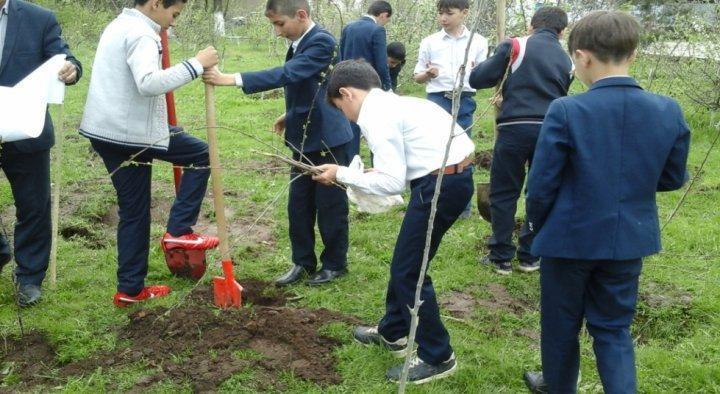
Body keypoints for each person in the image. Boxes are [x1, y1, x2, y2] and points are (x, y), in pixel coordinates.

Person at [522, 11, 690, 394]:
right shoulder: (668, 109)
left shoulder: (567, 109)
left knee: (561, 327)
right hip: (629, 238)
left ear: (582, 57)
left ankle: (559, 387)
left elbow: (542, 185)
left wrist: (533, 227)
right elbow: (672, 177)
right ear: (633, 53)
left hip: (568, 240)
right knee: (614, 329)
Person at [313, 60, 475, 384]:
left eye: (339, 107)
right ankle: (393, 331)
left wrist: (342, 173)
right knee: (407, 260)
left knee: (408, 270)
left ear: (347, 94)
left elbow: (391, 183)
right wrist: (369, 174)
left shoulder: (376, 116)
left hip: (440, 186)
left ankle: (437, 355)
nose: (345, 116)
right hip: (450, 178)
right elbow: (401, 162)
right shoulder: (394, 102)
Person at [80, 0, 220, 307]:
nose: (173, 21)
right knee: (201, 155)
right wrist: (196, 64)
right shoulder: (142, 33)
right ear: (156, 3)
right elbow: (148, 83)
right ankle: (179, 231)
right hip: (131, 134)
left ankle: (130, 291)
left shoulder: (118, 25)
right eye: (174, 13)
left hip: (106, 131)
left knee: (134, 212)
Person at [203, 0, 353, 286]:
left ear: (301, 15)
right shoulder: (299, 42)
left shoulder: (323, 41)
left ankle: (335, 264)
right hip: (304, 136)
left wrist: (231, 79)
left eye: (279, 24)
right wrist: (291, 112)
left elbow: (290, 74)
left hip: (328, 140)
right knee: (299, 206)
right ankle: (303, 263)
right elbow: (314, 84)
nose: (277, 32)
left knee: (330, 206)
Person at [469, 6, 572, 275]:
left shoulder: (515, 45)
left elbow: (479, 78)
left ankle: (501, 256)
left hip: (515, 128)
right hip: (551, 130)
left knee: (504, 191)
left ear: (531, 25)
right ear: (561, 32)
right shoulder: (568, 59)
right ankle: (530, 255)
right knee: (540, 191)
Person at [0, 0, 83, 307]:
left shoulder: (39, 18)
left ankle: (29, 279)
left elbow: (65, 58)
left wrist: (70, 69)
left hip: (26, 129)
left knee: (33, 206)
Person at [413, 0, 487, 218]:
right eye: (440, 13)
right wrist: (427, 74)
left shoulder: (478, 42)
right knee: (433, 149)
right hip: (437, 100)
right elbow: (417, 76)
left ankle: (462, 207)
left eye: (449, 13)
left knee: (463, 150)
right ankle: (430, 201)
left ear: (464, 13)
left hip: (464, 100)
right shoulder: (430, 42)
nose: (443, 18)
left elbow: (483, 76)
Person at [339, 0, 393, 159]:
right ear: (383, 14)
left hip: (347, 86)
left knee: (351, 127)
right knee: (375, 128)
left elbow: (341, 57)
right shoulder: (377, 30)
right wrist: (388, 87)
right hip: (368, 88)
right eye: (387, 20)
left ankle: (350, 167)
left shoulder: (348, 27)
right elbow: (382, 64)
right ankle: (378, 167)